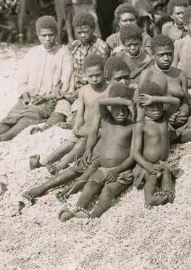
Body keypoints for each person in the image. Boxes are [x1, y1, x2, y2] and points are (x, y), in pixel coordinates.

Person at [22, 56, 131, 202]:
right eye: (118, 79)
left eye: (126, 78)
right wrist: (88, 150)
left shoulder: (132, 101)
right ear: (109, 80)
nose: (123, 82)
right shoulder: (105, 103)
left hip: (119, 151)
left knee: (92, 170)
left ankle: (68, 190)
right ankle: (44, 187)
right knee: (80, 165)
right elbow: (93, 131)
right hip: (100, 143)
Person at [0, 16, 74, 143]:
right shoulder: (33, 53)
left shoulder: (64, 53)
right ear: (38, 36)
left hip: (48, 100)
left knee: (26, 119)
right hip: (30, 97)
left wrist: (46, 97)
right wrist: (25, 95)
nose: (48, 39)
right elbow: (23, 78)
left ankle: (3, 137)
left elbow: (65, 82)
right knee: (12, 116)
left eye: (51, 35)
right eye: (44, 36)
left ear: (56, 34)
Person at [58, 82, 136, 221]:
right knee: (91, 184)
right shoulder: (107, 121)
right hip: (103, 168)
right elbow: (102, 103)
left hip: (122, 172)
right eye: (117, 108)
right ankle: (78, 209)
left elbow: (133, 156)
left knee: (107, 191)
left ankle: (93, 217)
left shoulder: (132, 125)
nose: (121, 112)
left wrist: (116, 171)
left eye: (125, 108)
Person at [28, 54, 109, 175]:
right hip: (84, 127)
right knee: (66, 145)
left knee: (79, 146)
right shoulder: (84, 90)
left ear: (104, 72)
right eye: (90, 76)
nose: (94, 79)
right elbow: (80, 113)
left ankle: (59, 167)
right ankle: (43, 163)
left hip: (99, 130)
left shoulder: (109, 90)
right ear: (85, 75)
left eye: (97, 75)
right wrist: (76, 127)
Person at [137, 34, 191, 143]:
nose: (166, 58)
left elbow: (184, 100)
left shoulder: (180, 74)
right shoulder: (147, 74)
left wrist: (183, 113)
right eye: (162, 55)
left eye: (169, 54)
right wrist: (162, 116)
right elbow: (140, 103)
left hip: (177, 119)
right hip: (156, 119)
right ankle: (165, 137)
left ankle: (169, 139)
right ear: (153, 55)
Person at [132, 82, 181, 207]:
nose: (157, 109)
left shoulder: (164, 118)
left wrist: (154, 99)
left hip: (162, 163)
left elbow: (176, 101)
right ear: (143, 107)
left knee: (166, 172)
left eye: (159, 105)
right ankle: (149, 199)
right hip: (146, 166)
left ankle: (166, 194)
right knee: (153, 176)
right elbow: (135, 153)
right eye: (152, 106)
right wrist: (147, 166)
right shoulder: (141, 125)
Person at [68, 12, 110, 91]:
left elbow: (105, 74)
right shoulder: (73, 46)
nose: (83, 35)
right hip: (75, 88)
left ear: (93, 29)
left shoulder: (101, 47)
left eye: (86, 32)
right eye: (79, 33)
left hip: (95, 88)